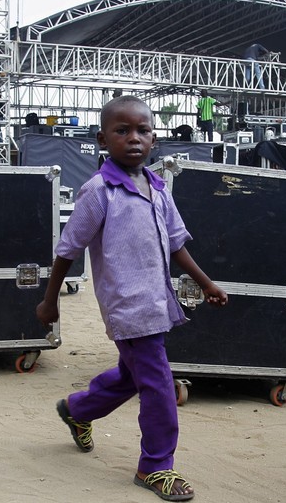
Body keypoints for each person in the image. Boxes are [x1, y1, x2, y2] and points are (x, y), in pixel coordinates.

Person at [36, 95, 228, 502]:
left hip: (157, 301)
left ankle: (77, 409)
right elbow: (67, 250)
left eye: (142, 130)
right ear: (103, 139)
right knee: (158, 384)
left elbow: (177, 245)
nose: (134, 139)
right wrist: (49, 301)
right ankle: (155, 467)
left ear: (154, 139)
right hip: (128, 306)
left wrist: (206, 283)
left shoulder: (158, 188)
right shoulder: (98, 191)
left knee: (132, 375)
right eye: (122, 131)